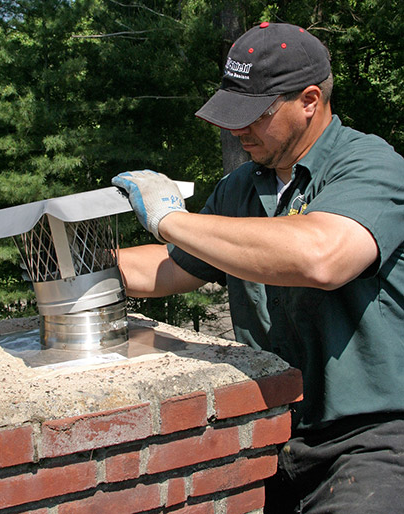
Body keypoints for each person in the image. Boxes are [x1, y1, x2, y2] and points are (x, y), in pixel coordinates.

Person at [112, 22, 404, 513]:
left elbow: (321, 256)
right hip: (271, 430)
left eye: (253, 114)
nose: (234, 129)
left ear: (309, 100)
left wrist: (170, 220)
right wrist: (71, 269)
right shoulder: (241, 187)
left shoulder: (373, 165)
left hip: (373, 441)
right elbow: (177, 265)